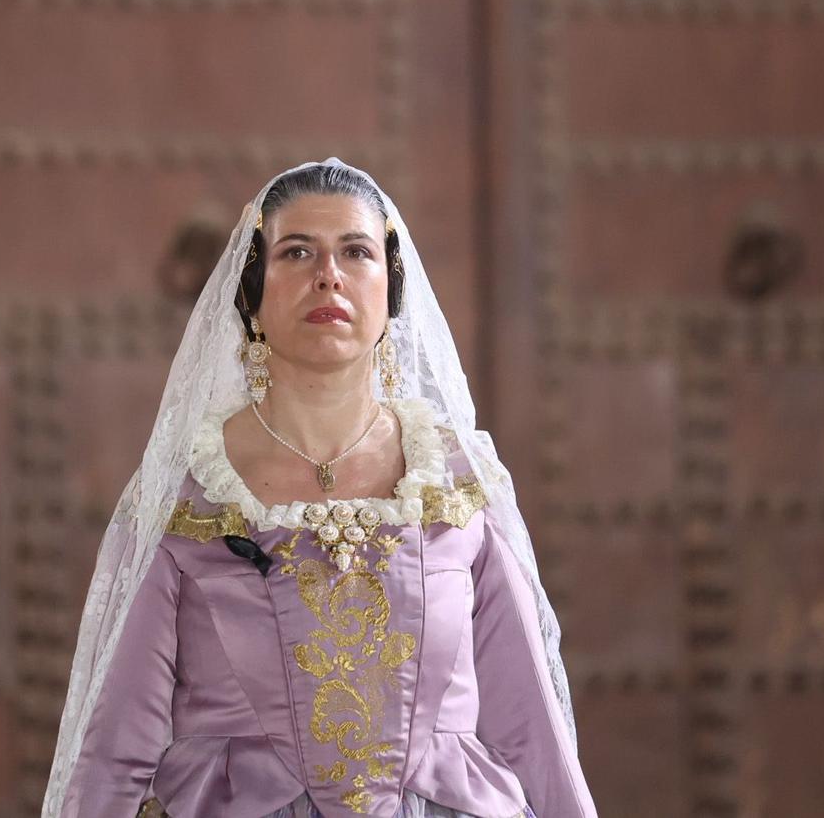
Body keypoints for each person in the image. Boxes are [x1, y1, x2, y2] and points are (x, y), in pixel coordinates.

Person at [48, 158, 599, 818]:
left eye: (356, 251)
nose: (328, 273)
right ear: (251, 291)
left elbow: (530, 727)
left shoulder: (453, 484)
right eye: (297, 250)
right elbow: (115, 748)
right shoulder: (190, 495)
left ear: (390, 289)